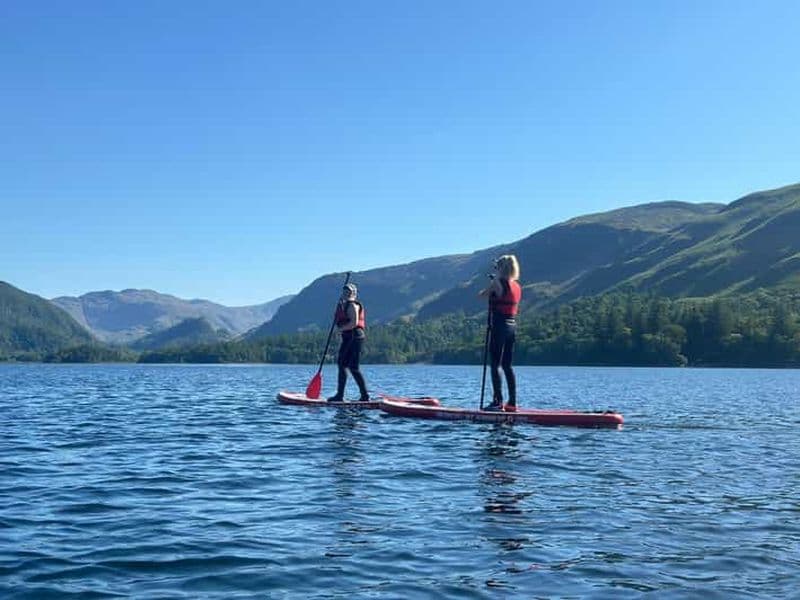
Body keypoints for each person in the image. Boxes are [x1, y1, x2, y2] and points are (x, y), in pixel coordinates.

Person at [479, 254, 521, 412]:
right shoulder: (517, 286)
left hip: (499, 325)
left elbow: (482, 296)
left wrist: (494, 280)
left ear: (501, 268)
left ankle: (497, 402)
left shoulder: (498, 283)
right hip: (512, 326)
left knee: (495, 364)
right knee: (507, 365)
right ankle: (512, 403)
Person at [327, 283, 370, 402]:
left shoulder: (352, 305)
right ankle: (342, 395)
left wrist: (339, 330)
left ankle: (362, 396)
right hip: (349, 337)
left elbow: (354, 323)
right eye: (344, 292)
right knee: (344, 365)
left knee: (350, 366)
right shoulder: (344, 305)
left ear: (353, 294)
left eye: (348, 292)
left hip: (354, 337)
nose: (346, 294)